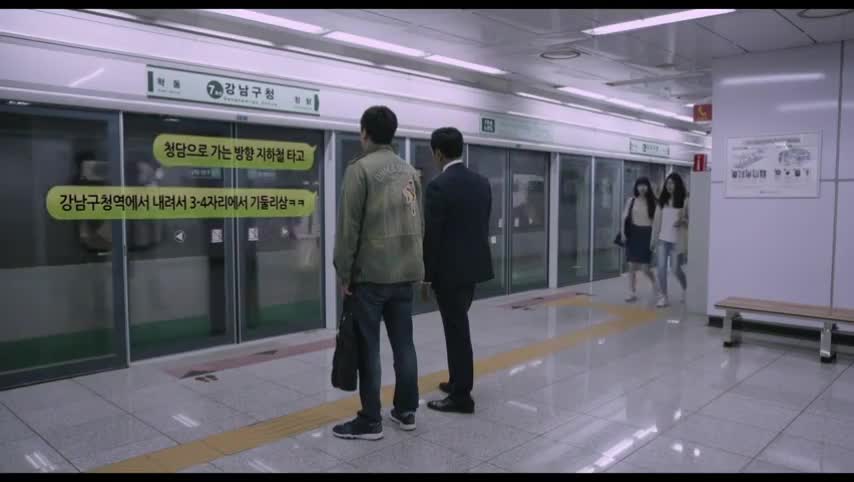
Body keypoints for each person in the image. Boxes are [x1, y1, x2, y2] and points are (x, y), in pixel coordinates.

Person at [332, 106, 424, 440]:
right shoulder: (410, 171)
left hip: (370, 276)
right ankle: (406, 411)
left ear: (364, 133)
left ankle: (371, 420)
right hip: (405, 274)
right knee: (404, 345)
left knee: (369, 348)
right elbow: (419, 223)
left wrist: (344, 272)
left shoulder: (359, 170)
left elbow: (348, 228)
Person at [422, 127, 494, 414]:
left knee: (457, 330)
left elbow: (433, 236)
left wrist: (426, 276)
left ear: (439, 153)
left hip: (448, 273)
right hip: (472, 269)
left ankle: (462, 395)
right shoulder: (482, 183)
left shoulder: (438, 186)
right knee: (457, 326)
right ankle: (456, 381)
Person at [651, 172, 689, 308]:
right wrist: (653, 241)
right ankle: (664, 296)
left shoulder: (685, 201)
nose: (669, 186)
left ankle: (686, 288)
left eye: (672, 183)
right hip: (662, 240)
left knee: (675, 269)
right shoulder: (662, 202)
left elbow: (692, 220)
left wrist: (683, 221)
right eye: (667, 183)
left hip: (676, 241)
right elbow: (656, 223)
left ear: (677, 184)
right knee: (661, 269)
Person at [622, 177, 657, 303]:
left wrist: (654, 239)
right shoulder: (631, 200)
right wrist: (623, 233)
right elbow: (624, 217)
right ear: (636, 187)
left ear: (648, 187)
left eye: (644, 185)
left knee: (645, 268)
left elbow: (655, 222)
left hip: (647, 234)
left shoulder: (653, 202)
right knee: (631, 266)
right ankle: (631, 292)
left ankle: (654, 281)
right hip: (633, 234)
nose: (642, 188)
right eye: (639, 185)